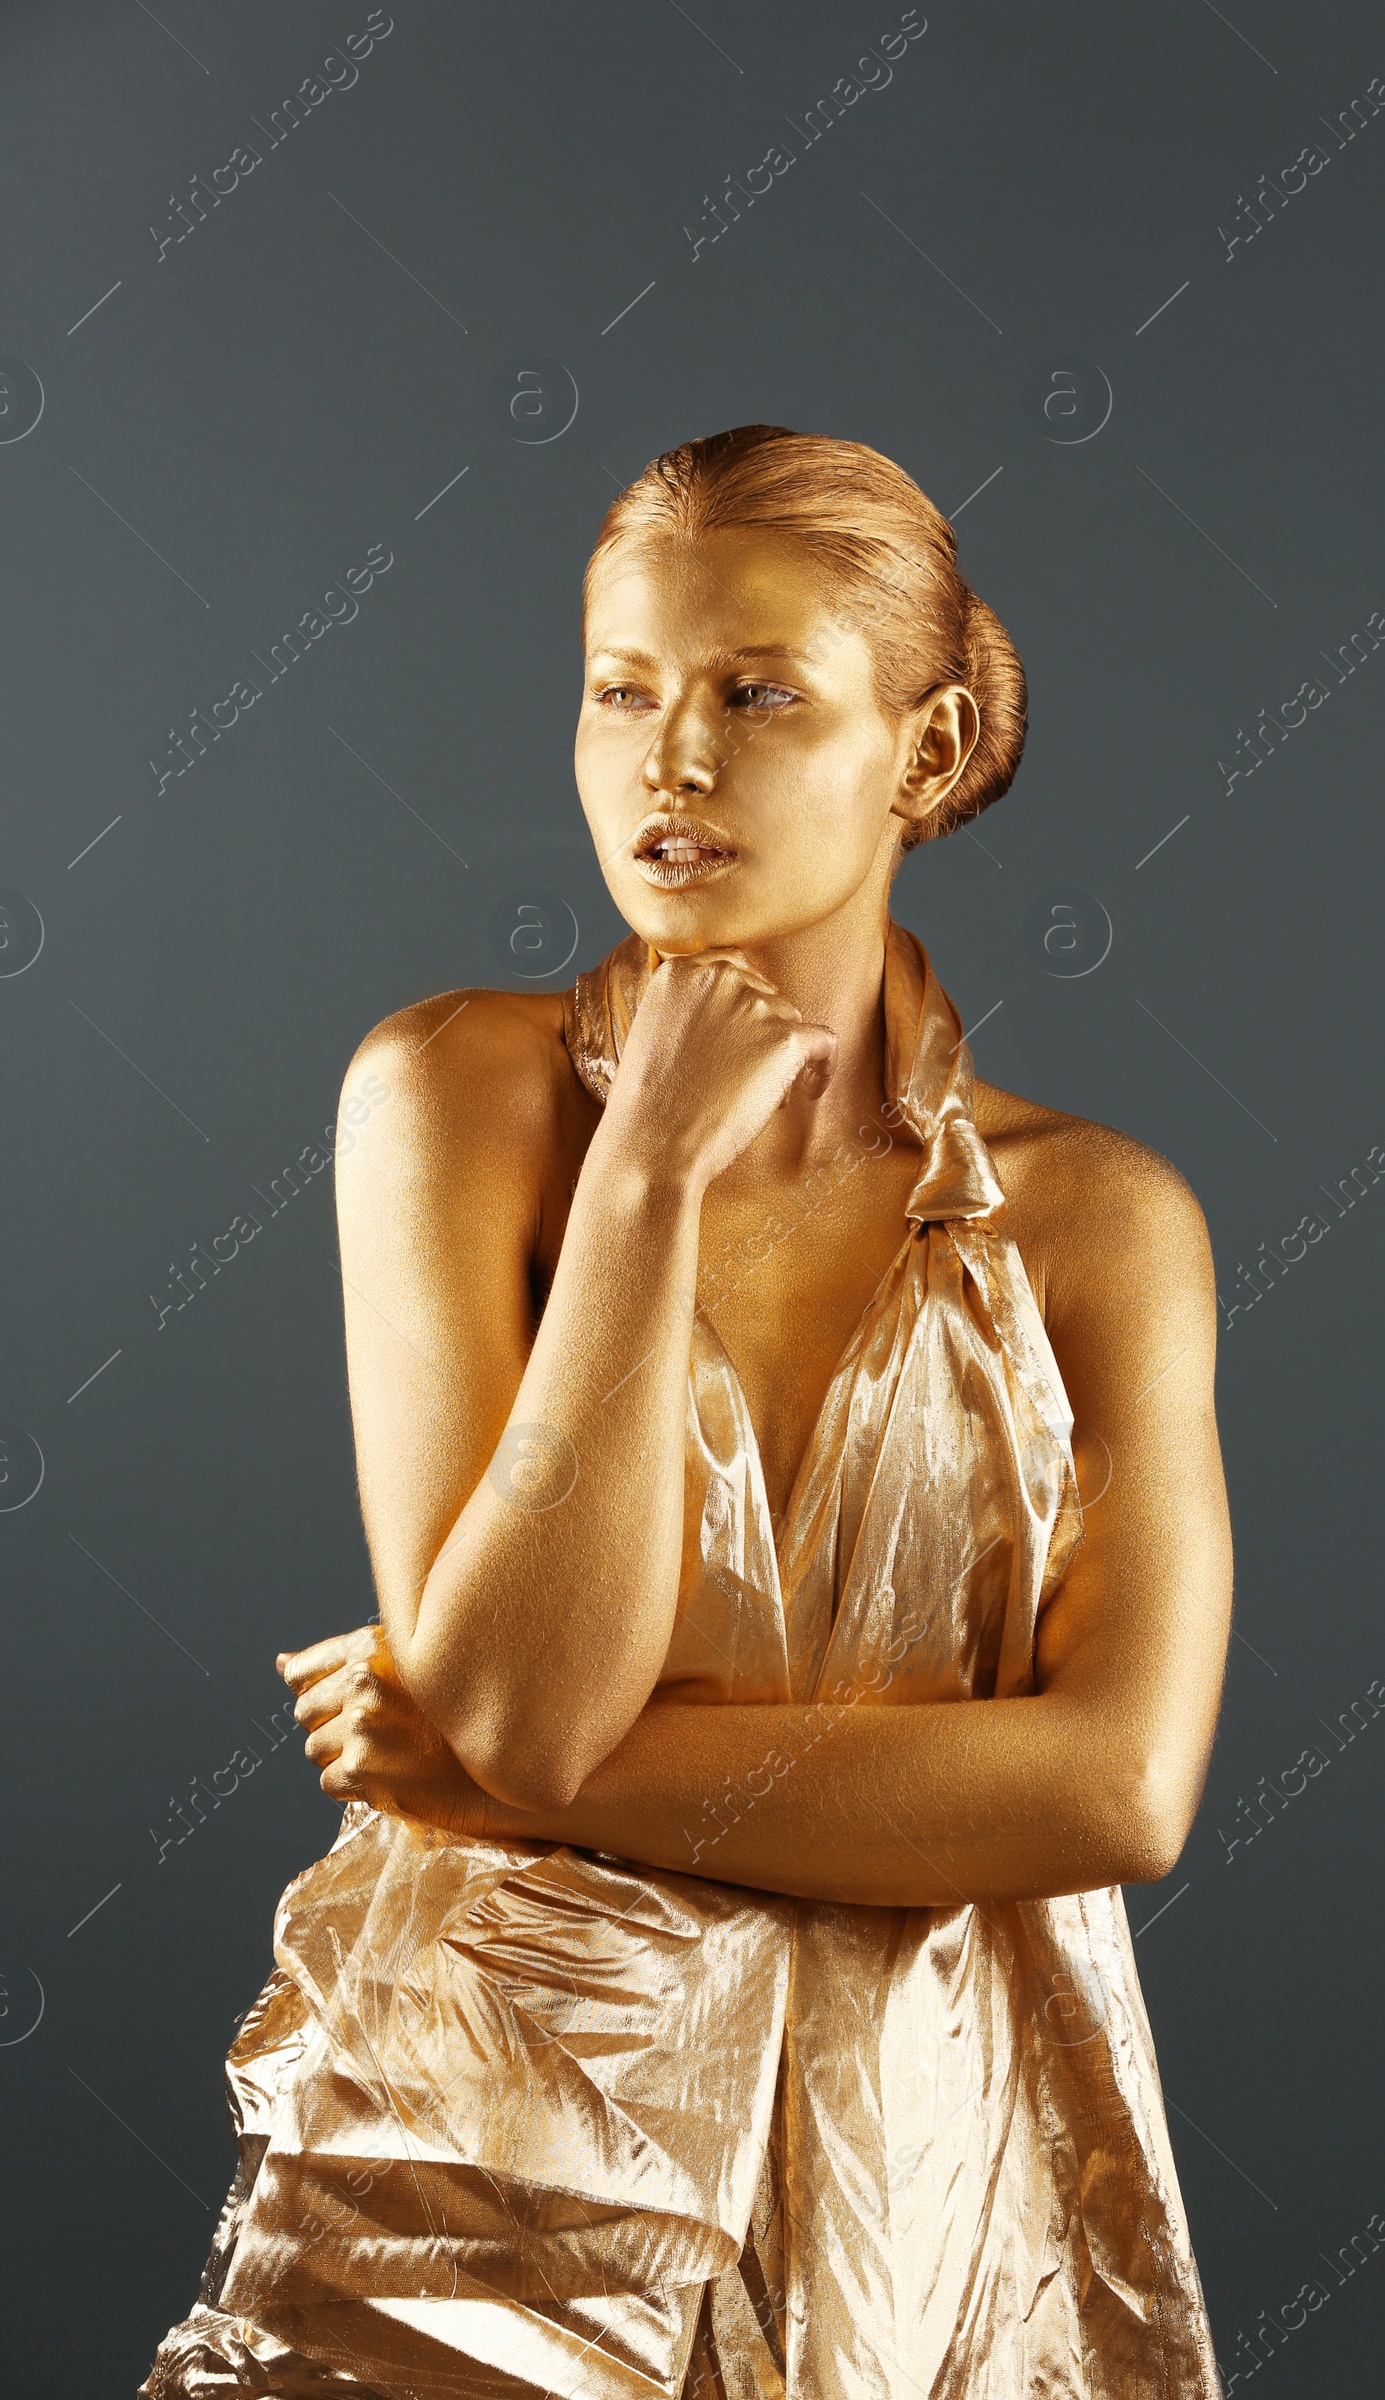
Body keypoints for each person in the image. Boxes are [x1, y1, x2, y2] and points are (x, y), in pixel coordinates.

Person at [143, 424, 1232, 2399]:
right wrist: (643, 1169)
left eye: (756, 695)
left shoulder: (1098, 1222)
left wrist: (500, 1781)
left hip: (935, 2173)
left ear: (920, 750)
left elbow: (1109, 1791)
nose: (671, 756)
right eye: (619, 691)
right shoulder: (454, 1099)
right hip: (495, 2159)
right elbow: (539, 1692)